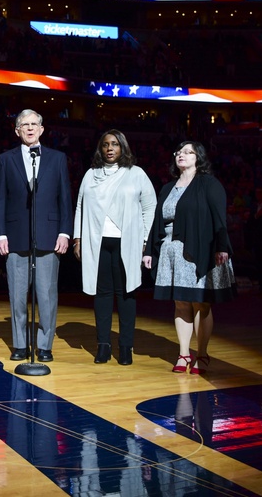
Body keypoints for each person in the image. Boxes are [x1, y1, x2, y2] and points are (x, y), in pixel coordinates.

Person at [143, 141, 234, 375]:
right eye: (179, 152)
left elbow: (219, 217)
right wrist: (149, 252)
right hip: (171, 250)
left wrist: (222, 246)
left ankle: (201, 353)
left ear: (198, 158)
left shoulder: (208, 184)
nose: (181, 155)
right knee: (181, 302)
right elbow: (157, 221)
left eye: (188, 152)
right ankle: (184, 354)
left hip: (200, 249)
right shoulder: (168, 188)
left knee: (201, 303)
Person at [0, 109, 72, 363]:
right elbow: (1, 199)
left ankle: (44, 345)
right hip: (16, 235)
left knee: (47, 294)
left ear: (41, 129)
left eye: (34, 124)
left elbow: (64, 198)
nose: (29, 128)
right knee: (17, 295)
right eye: (24, 125)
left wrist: (64, 231)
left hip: (49, 235)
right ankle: (19, 344)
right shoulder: (6, 159)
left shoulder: (57, 158)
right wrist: (1, 233)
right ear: (17, 131)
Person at [73, 130, 156, 366]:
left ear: (123, 148)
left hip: (127, 242)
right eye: (106, 144)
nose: (110, 148)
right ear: (100, 149)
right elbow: (79, 206)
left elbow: (150, 207)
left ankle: (126, 347)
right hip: (96, 242)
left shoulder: (136, 174)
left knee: (126, 294)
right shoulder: (91, 175)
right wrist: (78, 238)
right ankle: (103, 346)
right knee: (102, 295)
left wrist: (144, 241)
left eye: (115, 144)